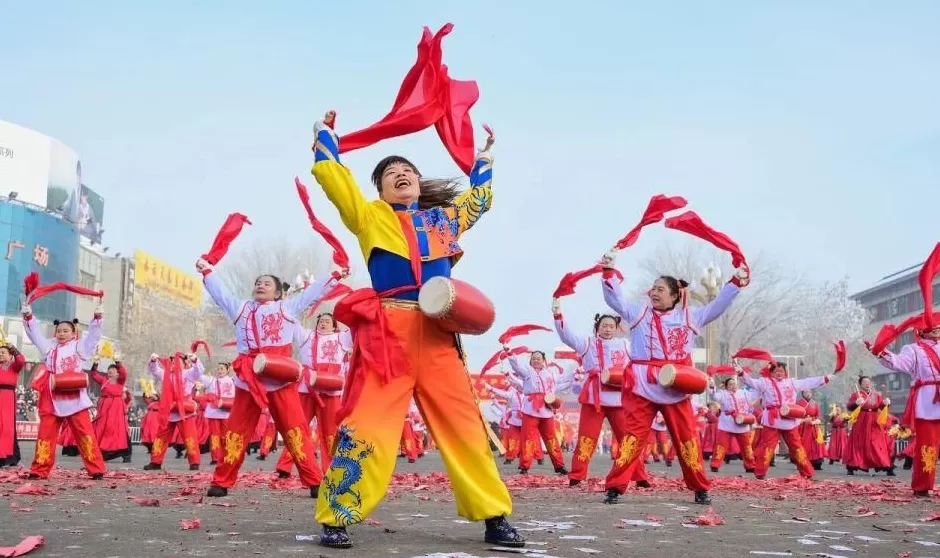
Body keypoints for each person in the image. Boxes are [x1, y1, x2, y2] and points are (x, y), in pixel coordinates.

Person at [309, 112, 521, 549]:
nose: (400, 174)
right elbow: (335, 180)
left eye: (407, 171)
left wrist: (483, 158)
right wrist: (325, 137)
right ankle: (337, 516)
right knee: (367, 426)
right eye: (390, 173)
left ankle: (494, 517)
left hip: (439, 334)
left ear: (419, 184)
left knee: (464, 427)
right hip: (389, 338)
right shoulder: (369, 217)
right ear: (381, 190)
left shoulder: (444, 220)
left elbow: (480, 198)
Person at [599, 248, 746, 505]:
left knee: (686, 438)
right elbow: (615, 301)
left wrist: (735, 282)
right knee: (633, 437)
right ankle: (615, 486)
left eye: (660, 289)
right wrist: (608, 271)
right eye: (653, 288)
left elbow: (718, 305)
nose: (654, 292)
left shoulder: (690, 317)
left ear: (675, 296)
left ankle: (700, 487)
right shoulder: (638, 314)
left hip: (676, 385)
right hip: (642, 385)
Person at [197, 261, 342, 499]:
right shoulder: (241, 308)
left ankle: (315, 481)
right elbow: (220, 293)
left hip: (279, 379)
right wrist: (207, 271)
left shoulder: (287, 308)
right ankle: (221, 481)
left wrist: (335, 275)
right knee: (235, 433)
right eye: (257, 283)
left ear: (277, 292)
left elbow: (313, 292)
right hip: (248, 382)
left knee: (296, 431)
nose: (260, 286)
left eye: (266, 283)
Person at [552, 304, 634, 487]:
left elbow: (640, 359)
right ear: (597, 327)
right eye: (604, 325)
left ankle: (638, 475)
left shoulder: (625, 345)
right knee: (586, 437)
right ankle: (577, 475)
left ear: (616, 328)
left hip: (618, 399)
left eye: (611, 326)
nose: (607, 329)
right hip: (593, 398)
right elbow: (566, 336)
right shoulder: (587, 343)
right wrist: (558, 315)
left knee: (627, 438)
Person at [22, 302, 106, 480]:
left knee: (85, 434)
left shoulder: (79, 347)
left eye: (65, 331)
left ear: (73, 332)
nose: (61, 333)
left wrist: (97, 319)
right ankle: (39, 470)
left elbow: (93, 337)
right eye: (59, 330)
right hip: (52, 395)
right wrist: (29, 317)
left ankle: (96, 468)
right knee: (46, 434)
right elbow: (35, 334)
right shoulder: (49, 346)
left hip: (74, 395)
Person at [277, 313, 352, 477]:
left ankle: (331, 468)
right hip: (308, 389)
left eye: (327, 321)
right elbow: (292, 319)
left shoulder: (342, 338)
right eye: (321, 321)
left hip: (331, 390)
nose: (323, 324)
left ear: (334, 325)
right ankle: (285, 466)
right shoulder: (307, 336)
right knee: (297, 426)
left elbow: (357, 328)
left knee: (330, 431)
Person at [739, 362, 833, 480]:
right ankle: (760, 473)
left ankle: (807, 472)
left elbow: (807, 382)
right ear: (771, 373)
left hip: (789, 419)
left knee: (797, 447)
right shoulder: (765, 382)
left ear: (785, 372)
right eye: (776, 372)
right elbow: (751, 382)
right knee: (767, 447)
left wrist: (824, 379)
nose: (779, 373)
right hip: (772, 420)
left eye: (781, 371)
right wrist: (741, 373)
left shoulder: (792, 382)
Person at [505, 349, 569, 475]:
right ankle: (524, 466)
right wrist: (510, 354)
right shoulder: (527, 371)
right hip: (530, 410)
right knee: (527, 438)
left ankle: (559, 465)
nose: (536, 360)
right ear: (530, 360)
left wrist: (576, 373)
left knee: (551, 439)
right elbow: (517, 366)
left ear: (544, 361)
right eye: (534, 358)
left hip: (547, 408)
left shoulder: (550, 373)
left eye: (539, 358)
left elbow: (563, 379)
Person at [144, 353, 204, 471]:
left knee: (189, 437)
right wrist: (153, 361)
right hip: (169, 409)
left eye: (176, 362)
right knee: (161, 437)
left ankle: (194, 462)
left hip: (185, 410)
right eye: (171, 362)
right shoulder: (166, 374)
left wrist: (195, 360)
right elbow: (155, 370)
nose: (173, 364)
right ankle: (155, 462)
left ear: (183, 364)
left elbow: (199, 371)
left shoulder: (188, 374)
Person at [843, 376, 894, 476]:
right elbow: (849, 407)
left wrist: (885, 404)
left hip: (874, 421)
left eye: (868, 382)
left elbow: (880, 407)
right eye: (864, 382)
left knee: (877, 442)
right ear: (860, 385)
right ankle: (852, 466)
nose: (867, 384)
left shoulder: (876, 395)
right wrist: (856, 403)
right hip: (861, 421)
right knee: (858, 443)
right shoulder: (856, 395)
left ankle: (886, 465)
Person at [707, 377, 756, 473]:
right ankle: (715, 465)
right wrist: (712, 386)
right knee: (721, 445)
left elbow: (754, 395)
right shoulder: (723, 394)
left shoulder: (743, 393)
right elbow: (714, 397)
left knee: (746, 446)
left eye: (734, 384)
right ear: (726, 386)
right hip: (727, 423)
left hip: (741, 422)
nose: (733, 386)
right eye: (730, 384)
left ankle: (750, 466)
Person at [90, 357, 132, 462]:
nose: (110, 371)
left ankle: (126, 453)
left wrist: (118, 362)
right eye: (109, 370)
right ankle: (104, 451)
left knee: (117, 429)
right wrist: (95, 363)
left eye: (113, 370)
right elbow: (94, 375)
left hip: (116, 408)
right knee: (102, 428)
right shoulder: (104, 380)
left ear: (118, 374)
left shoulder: (120, 381)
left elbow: (124, 373)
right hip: (104, 407)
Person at [198, 362, 236, 465]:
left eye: (222, 369)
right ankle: (215, 458)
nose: (219, 371)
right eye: (218, 369)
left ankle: (227, 455)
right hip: (214, 413)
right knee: (215, 436)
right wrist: (195, 361)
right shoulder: (211, 380)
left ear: (227, 370)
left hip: (227, 412)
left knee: (226, 436)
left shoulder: (233, 380)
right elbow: (199, 375)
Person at [0, 344, 26, 467]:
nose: (0, 354)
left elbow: (21, 360)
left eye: (3, 352)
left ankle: (8, 457)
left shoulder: (13, 366)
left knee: (6, 427)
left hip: (7, 397)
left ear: (10, 355)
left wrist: (14, 349)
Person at [795, 391, 827, 471]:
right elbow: (795, 415)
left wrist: (816, 421)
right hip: (803, 426)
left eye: (810, 392)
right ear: (802, 394)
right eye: (806, 392)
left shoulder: (815, 403)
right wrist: (804, 420)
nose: (808, 393)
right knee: (803, 444)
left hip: (813, 426)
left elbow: (818, 415)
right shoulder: (798, 403)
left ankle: (817, 463)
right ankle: (803, 462)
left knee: (816, 444)